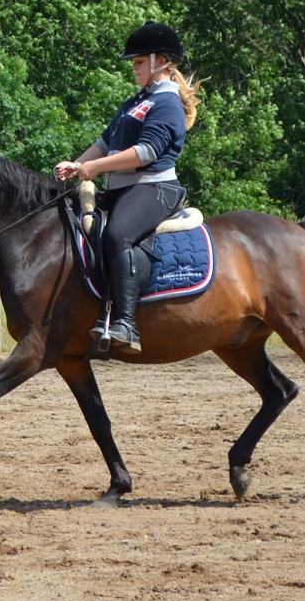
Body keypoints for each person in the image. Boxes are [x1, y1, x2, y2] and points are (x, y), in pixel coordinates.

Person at [55, 21, 199, 353]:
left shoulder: (167, 103)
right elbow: (105, 143)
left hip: (154, 188)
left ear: (159, 61)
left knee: (117, 234)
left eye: (137, 62)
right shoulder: (137, 100)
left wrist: (93, 169)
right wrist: (77, 165)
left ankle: (126, 324)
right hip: (123, 188)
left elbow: (145, 154)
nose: (133, 69)